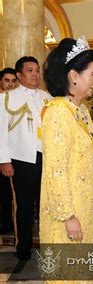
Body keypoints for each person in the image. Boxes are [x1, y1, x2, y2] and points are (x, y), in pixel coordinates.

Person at [40, 37, 93, 249]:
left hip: (84, 206)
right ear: (74, 76)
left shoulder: (81, 110)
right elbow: (56, 170)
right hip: (66, 215)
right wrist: (68, 216)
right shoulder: (57, 112)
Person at [0, 56, 52, 260]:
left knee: (45, 204)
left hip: (45, 158)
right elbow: (1, 131)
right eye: (30, 70)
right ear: (19, 75)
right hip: (21, 159)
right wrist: (4, 160)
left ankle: (48, 242)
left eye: (37, 70)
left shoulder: (46, 96)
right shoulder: (6, 98)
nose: (35, 74)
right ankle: (23, 247)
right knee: (23, 205)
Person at [0, 67, 18, 234]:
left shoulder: (18, 101)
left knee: (9, 193)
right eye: (7, 80)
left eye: (13, 81)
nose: (10, 84)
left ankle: (9, 223)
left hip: (11, 154)